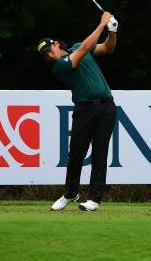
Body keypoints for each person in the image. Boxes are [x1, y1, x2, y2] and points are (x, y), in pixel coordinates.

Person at [38, 11, 118, 211]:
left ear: (56, 43)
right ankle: (70, 193)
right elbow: (83, 49)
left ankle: (94, 200)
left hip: (107, 106)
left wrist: (112, 31)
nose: (49, 54)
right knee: (76, 153)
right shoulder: (59, 67)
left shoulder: (76, 47)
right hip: (84, 109)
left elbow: (107, 48)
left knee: (100, 152)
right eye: (45, 54)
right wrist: (101, 24)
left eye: (49, 49)